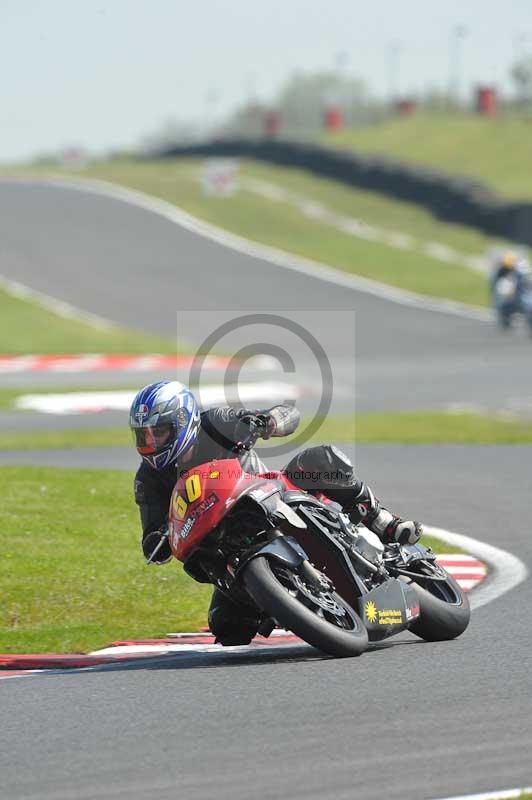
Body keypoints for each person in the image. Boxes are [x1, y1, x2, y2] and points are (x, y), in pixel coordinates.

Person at [130, 381, 423, 645]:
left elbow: (289, 416)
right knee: (228, 628)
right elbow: (152, 541)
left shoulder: (215, 424)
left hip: (267, 496)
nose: (152, 444)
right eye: (144, 437)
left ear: (183, 422)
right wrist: (161, 541)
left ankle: (383, 521)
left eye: (159, 432)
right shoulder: (149, 480)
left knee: (318, 462)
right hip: (225, 547)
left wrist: (267, 421)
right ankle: (290, 600)